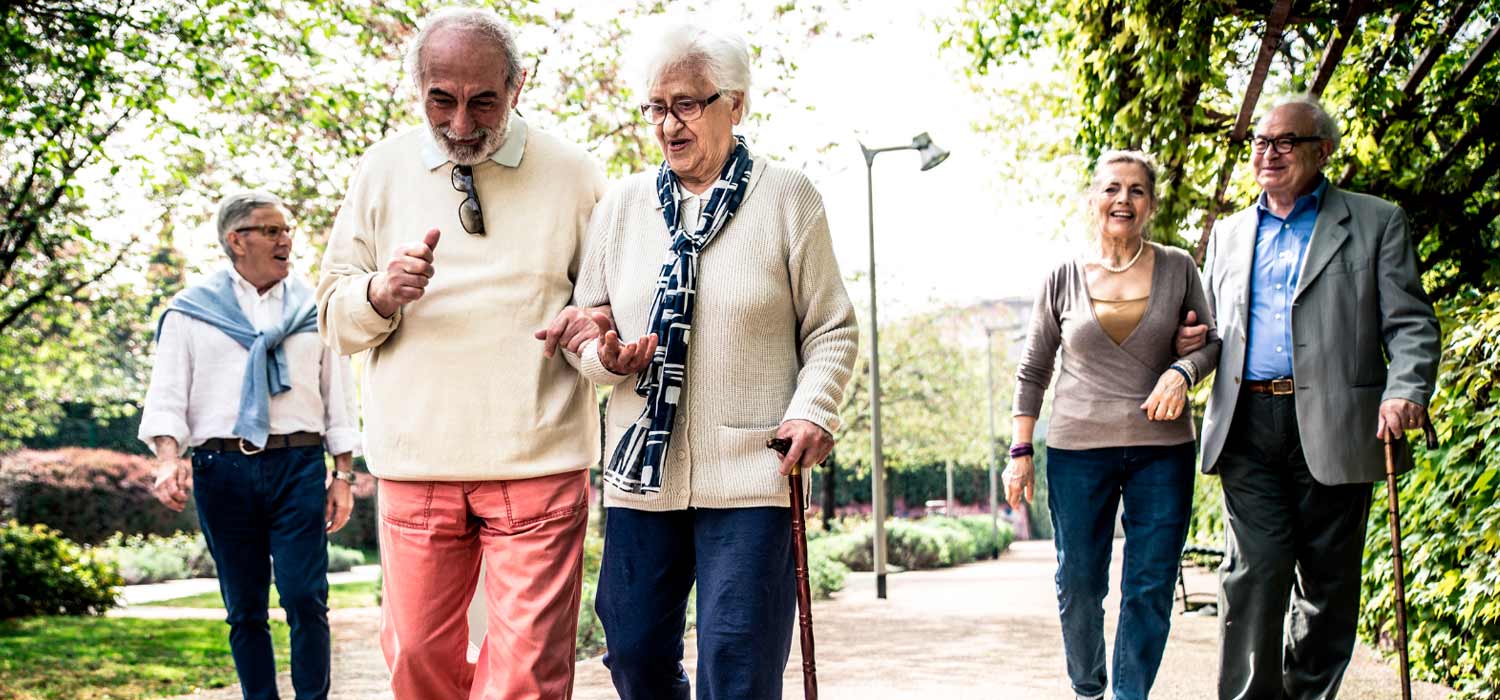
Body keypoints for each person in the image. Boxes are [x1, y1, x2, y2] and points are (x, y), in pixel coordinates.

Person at [558, 21, 858, 699]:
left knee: (739, 664)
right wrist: (603, 355)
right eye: (657, 108)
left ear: (737, 104)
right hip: (643, 474)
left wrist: (813, 410)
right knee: (632, 652)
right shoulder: (623, 208)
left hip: (753, 471)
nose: (669, 125)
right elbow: (587, 324)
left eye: (687, 104)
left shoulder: (788, 198)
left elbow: (832, 329)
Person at [314, 8, 607, 699]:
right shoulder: (380, 171)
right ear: (416, 88)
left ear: (519, 86)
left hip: (538, 461)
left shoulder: (576, 174)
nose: (462, 124)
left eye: (484, 101)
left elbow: (602, 324)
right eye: (441, 100)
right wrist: (382, 293)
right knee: (418, 661)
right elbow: (333, 315)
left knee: (529, 678)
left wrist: (599, 346)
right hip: (417, 462)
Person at [1176, 95, 1441, 700]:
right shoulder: (1230, 234)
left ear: (1323, 151)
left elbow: (1411, 324)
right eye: (1260, 143)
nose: (1268, 154)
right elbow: (1215, 332)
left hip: (1338, 421)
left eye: (1284, 142)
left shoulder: (1376, 222)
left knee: (1328, 583)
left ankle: (1308, 694)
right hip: (1247, 421)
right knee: (1255, 572)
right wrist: (1190, 343)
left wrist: (1405, 390)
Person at [1007, 150, 1221, 700]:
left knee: (1149, 585)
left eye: (1136, 190)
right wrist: (1020, 449)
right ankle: (1087, 687)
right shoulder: (1062, 276)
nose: (1123, 200)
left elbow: (1211, 343)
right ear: (1092, 200)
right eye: (1111, 189)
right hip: (1079, 449)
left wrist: (1182, 369)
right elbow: (1033, 370)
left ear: (1151, 203)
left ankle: (1130, 695)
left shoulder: (1178, 268)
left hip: (1162, 450)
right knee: (1079, 583)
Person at [140, 190, 360, 700]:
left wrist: (343, 475)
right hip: (222, 468)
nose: (287, 240)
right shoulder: (191, 312)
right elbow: (168, 395)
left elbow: (339, 400)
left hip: (299, 463)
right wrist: (169, 460)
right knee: (244, 608)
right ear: (237, 241)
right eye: (272, 230)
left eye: (287, 230)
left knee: (306, 598)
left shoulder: (315, 309)